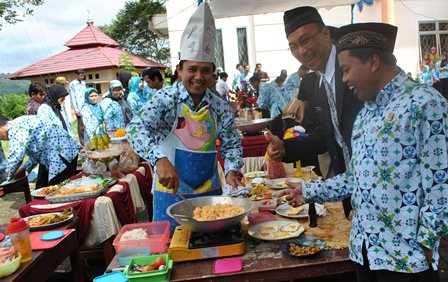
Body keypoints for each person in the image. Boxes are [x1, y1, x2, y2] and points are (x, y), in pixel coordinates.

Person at [283, 22, 445, 282]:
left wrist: (426, 245)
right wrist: (309, 191)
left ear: (372, 62)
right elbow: (356, 176)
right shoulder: (366, 114)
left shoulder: (425, 104)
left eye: (347, 70)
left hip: (405, 261)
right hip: (364, 252)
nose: (344, 79)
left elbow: (441, 183)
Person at [126, 2, 243, 233]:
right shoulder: (164, 99)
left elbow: (231, 145)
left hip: (210, 195)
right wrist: (159, 159)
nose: (198, 77)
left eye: (205, 71)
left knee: (211, 247)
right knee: (172, 249)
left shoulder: (219, 107)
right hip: (169, 193)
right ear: (180, 70)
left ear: (213, 74)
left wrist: (230, 171)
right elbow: (135, 129)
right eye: (192, 69)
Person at [266, 6, 364, 217]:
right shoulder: (318, 82)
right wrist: (285, 147)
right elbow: (325, 138)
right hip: (352, 192)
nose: (301, 51)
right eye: (293, 46)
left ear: (326, 34)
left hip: (381, 192)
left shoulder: (352, 69)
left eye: (306, 40)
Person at [0, 114, 81, 188]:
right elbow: (36, 155)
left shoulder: (14, 128)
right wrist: (23, 169)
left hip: (61, 154)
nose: (2, 139)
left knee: (59, 190)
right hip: (63, 152)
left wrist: (6, 176)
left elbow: (17, 155)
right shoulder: (19, 124)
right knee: (45, 189)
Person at [68, 68, 86, 144]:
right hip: (78, 108)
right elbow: (73, 97)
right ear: (76, 75)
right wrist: (76, 109)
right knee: (81, 126)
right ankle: (83, 142)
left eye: (83, 74)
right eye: (80, 74)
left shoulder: (83, 83)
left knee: (86, 124)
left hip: (85, 106)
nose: (82, 76)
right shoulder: (72, 84)